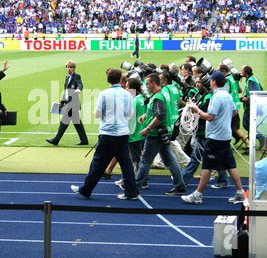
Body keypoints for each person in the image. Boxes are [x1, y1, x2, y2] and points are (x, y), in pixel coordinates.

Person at [71, 68, 139, 200]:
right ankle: (131, 192)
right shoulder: (127, 94)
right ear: (120, 79)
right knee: (126, 164)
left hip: (108, 134)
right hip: (123, 133)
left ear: (108, 80)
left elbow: (97, 114)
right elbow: (130, 114)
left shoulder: (104, 94)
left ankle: (86, 190)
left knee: (98, 164)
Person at [181, 71, 245, 204]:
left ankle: (197, 195)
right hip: (225, 135)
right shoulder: (227, 95)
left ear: (214, 82)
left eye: (211, 80)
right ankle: (240, 193)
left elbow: (210, 117)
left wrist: (196, 110)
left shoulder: (216, 97)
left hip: (216, 136)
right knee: (230, 165)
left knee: (207, 166)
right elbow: (234, 112)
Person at [134, 73, 186, 195]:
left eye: (147, 84)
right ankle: (180, 186)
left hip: (156, 134)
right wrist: (145, 115)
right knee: (169, 159)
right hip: (164, 132)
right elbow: (158, 111)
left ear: (153, 83)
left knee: (145, 160)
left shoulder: (158, 97)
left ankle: (135, 187)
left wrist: (148, 127)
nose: (146, 86)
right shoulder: (161, 94)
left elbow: (160, 115)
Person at [181, 75, 228, 188]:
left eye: (199, 82)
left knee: (204, 158)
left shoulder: (209, 97)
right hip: (205, 131)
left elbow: (208, 114)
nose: (197, 84)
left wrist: (195, 110)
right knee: (199, 157)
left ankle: (184, 179)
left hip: (205, 131)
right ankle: (184, 178)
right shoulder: (207, 95)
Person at [46, 60, 88, 146]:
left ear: (74, 68)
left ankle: (56, 140)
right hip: (69, 103)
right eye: (68, 67)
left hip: (73, 103)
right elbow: (66, 92)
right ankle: (84, 140)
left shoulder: (76, 76)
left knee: (64, 122)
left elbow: (80, 84)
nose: (69, 69)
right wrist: (62, 102)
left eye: (71, 67)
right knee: (77, 123)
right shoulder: (67, 77)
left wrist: (79, 89)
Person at [240, 65, 265, 153]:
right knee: (249, 124)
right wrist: (246, 96)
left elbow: (256, 92)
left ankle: (261, 139)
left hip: (251, 106)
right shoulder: (253, 79)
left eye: (241, 70)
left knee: (247, 125)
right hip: (253, 105)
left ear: (245, 72)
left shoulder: (251, 81)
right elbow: (261, 89)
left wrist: (246, 99)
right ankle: (251, 145)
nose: (240, 71)